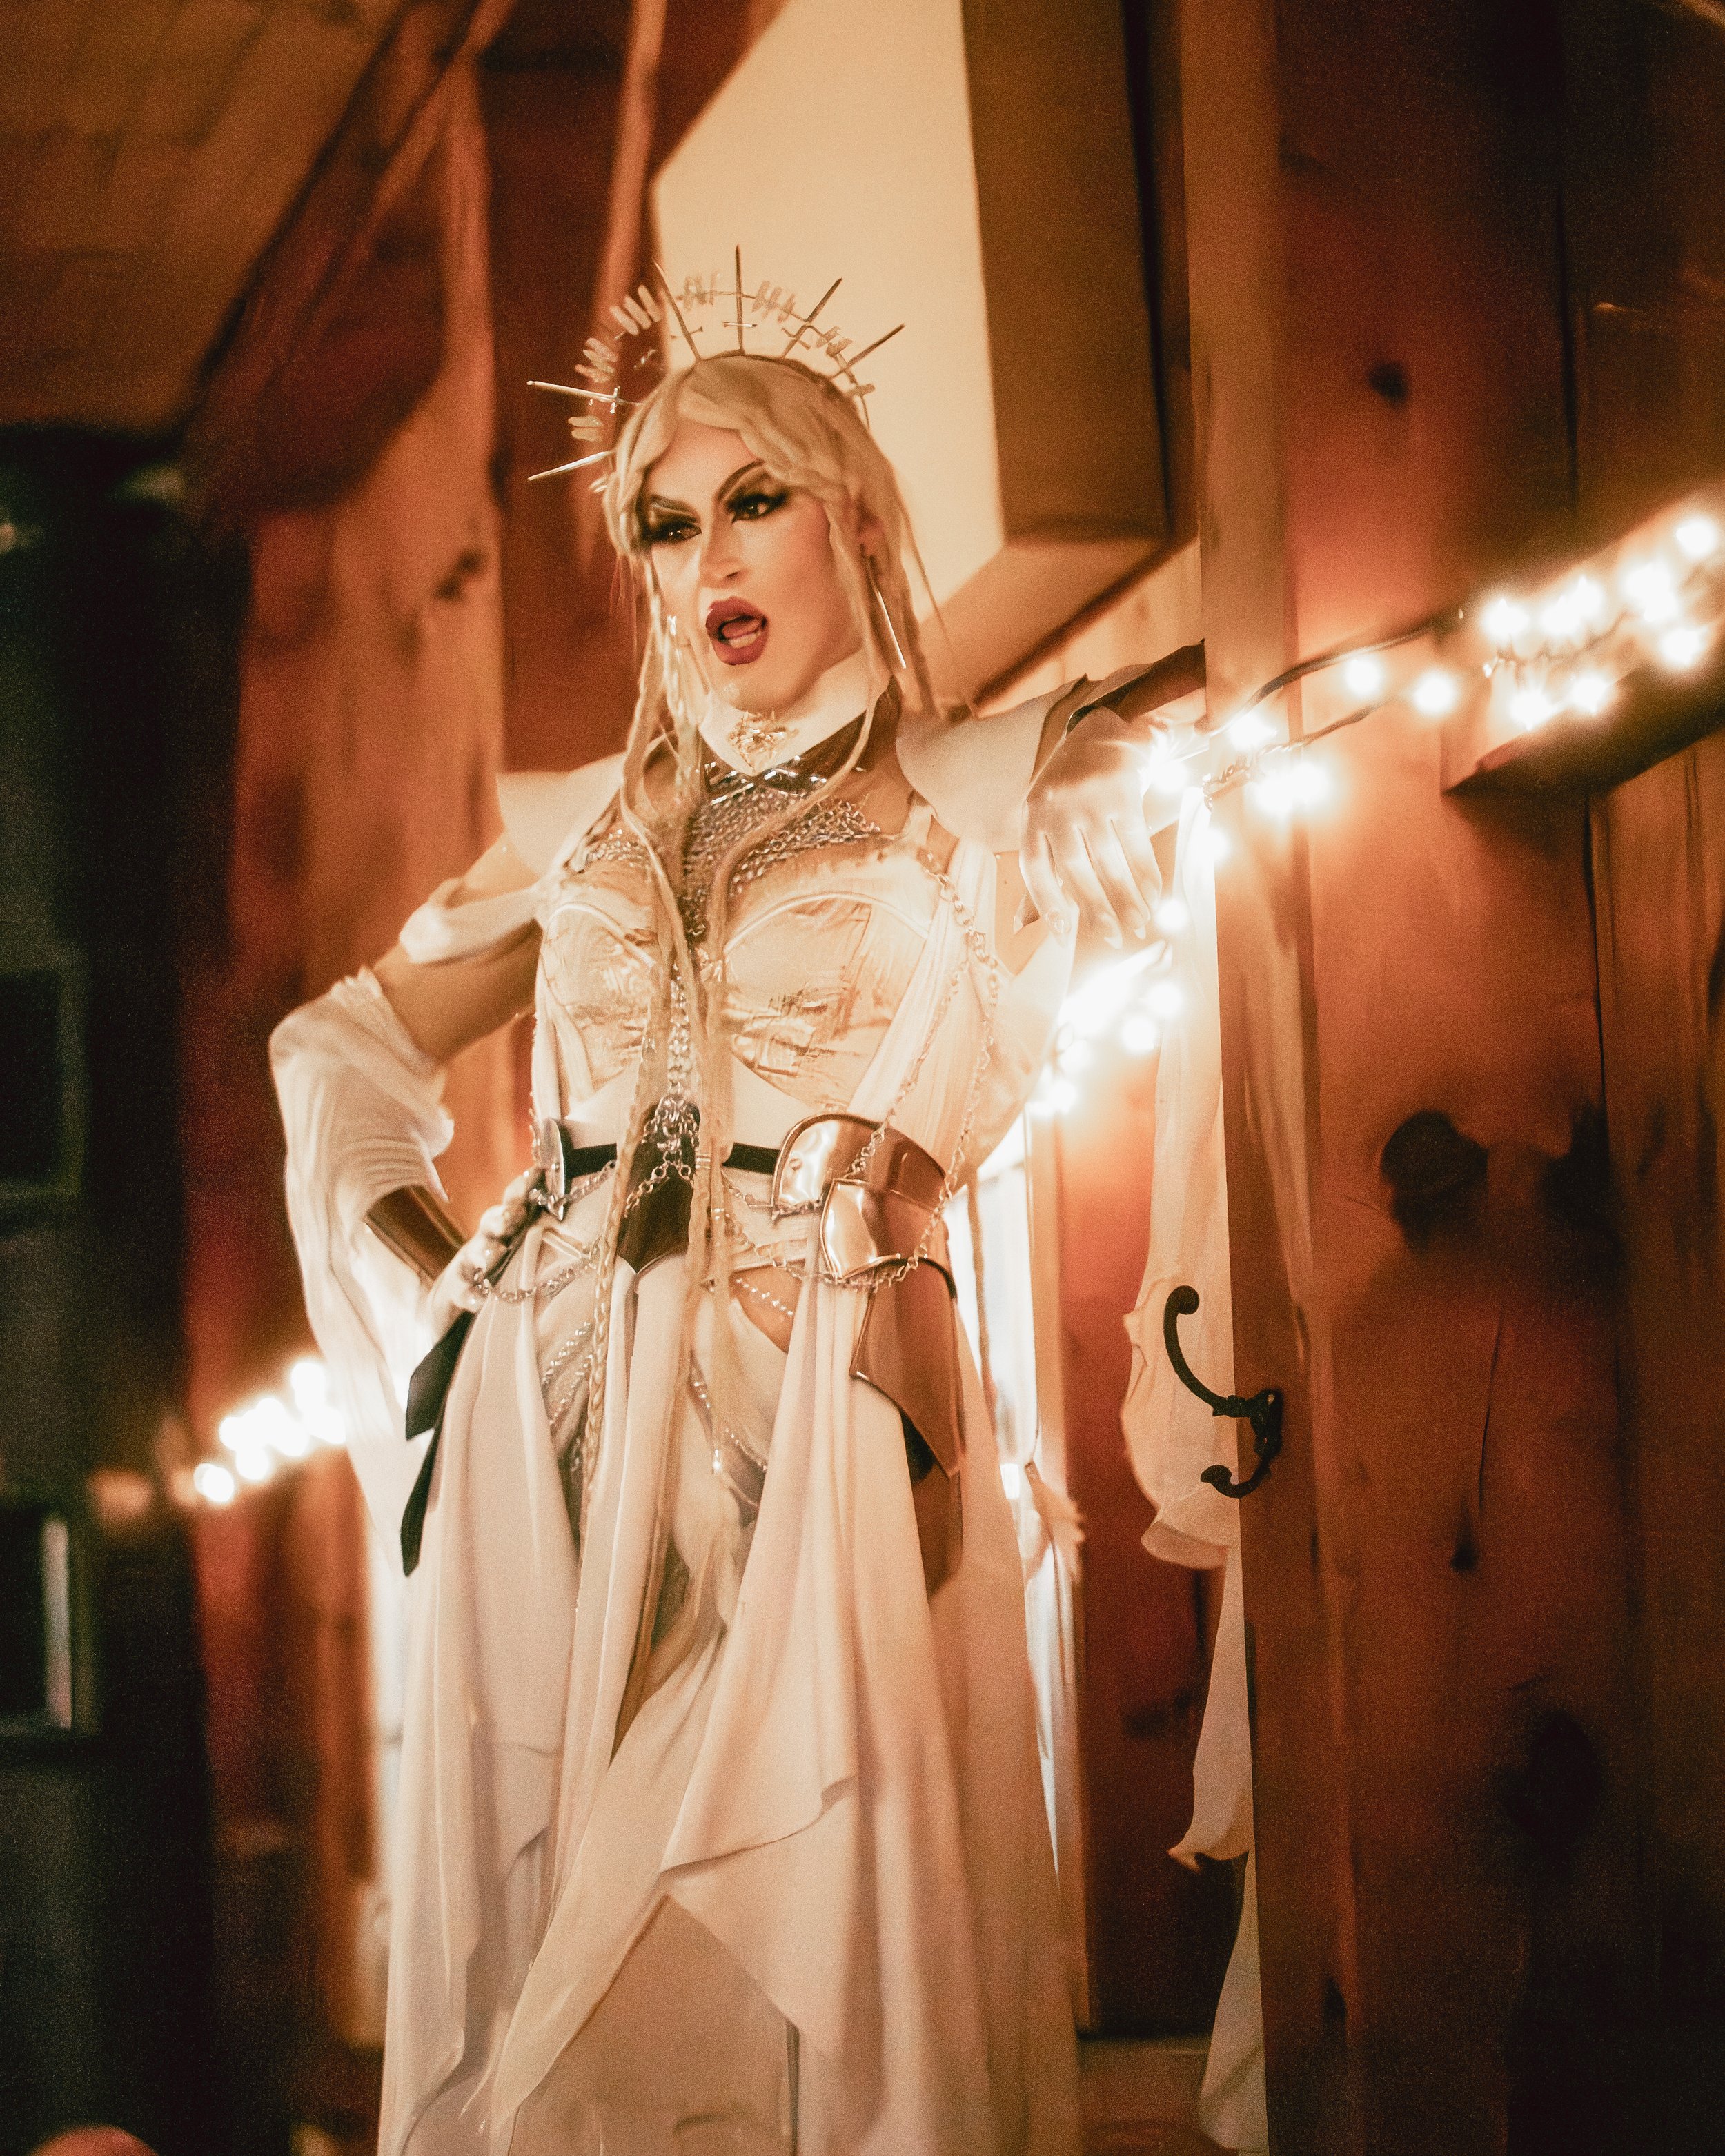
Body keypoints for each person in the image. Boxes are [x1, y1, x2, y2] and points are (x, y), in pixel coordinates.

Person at [272, 344, 1186, 2156]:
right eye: (666, 524)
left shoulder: (972, 786)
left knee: (808, 1929)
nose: (709, 560)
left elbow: (1186, 710)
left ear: (854, 515)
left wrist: (1100, 747)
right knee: (559, 1957)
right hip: (558, 1448)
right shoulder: (581, 838)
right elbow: (336, 1052)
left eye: (752, 502)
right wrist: (446, 1280)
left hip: (830, 1394)